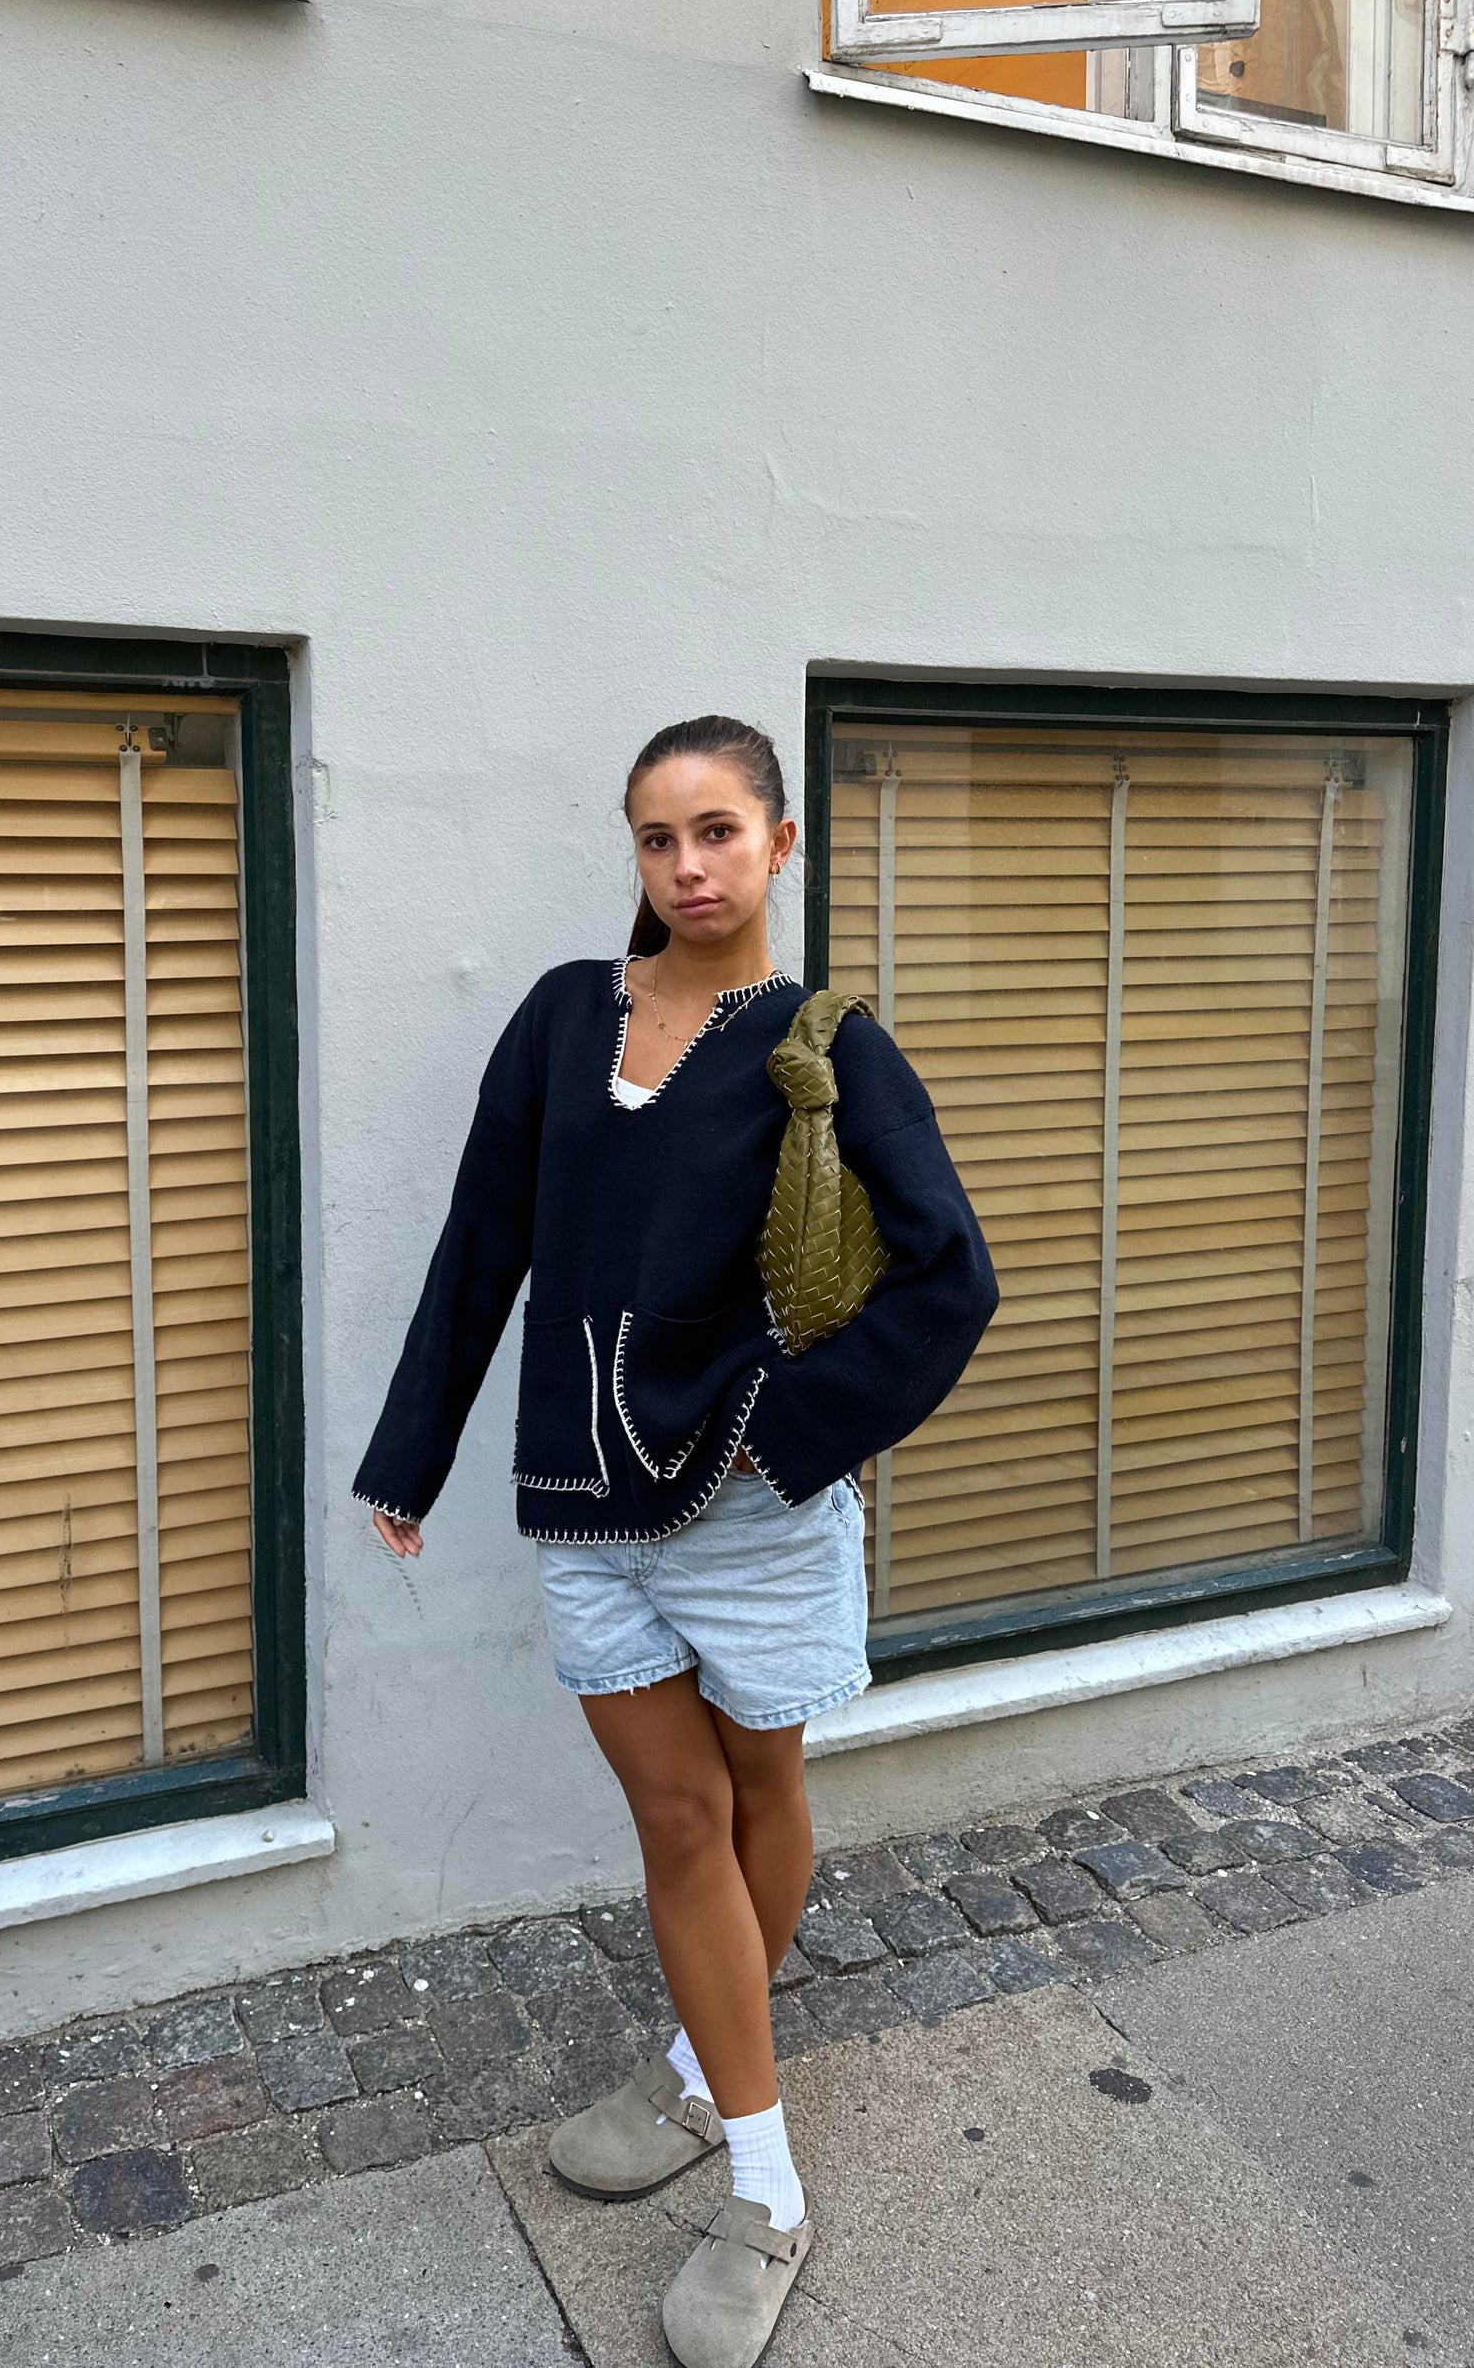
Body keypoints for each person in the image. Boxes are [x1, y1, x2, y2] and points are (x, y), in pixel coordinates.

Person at [353, 714, 997, 2368]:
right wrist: (414, 1452)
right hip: (583, 1505)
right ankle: (726, 2088)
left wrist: (790, 1434)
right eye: (659, 837)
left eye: (718, 831)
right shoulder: (566, 1017)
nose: (689, 866)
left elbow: (953, 1276)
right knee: (675, 1814)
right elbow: (482, 1241)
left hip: (751, 1517)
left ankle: (751, 2165)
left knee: (757, 1797)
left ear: (779, 843)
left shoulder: (824, 1047)